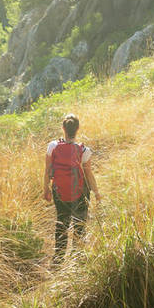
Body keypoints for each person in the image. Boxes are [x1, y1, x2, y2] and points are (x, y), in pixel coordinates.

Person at [43, 113, 100, 264]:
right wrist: (97, 193)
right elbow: (89, 175)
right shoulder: (84, 151)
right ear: (78, 129)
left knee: (62, 221)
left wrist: (46, 189)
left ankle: (59, 257)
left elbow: (47, 170)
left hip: (59, 192)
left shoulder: (52, 147)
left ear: (63, 128)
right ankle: (78, 258)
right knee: (79, 224)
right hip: (80, 194)